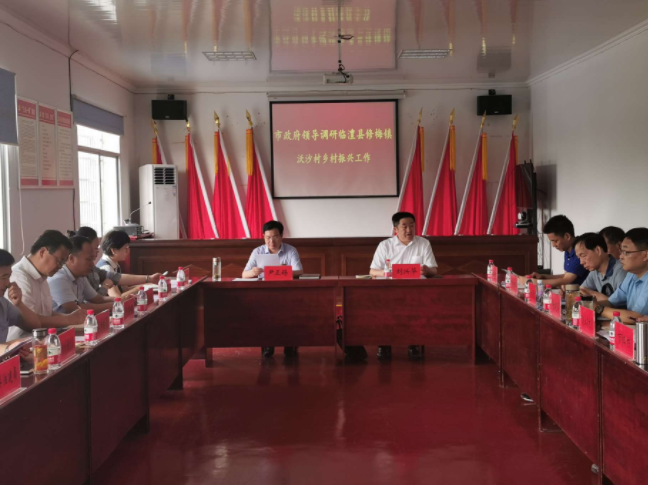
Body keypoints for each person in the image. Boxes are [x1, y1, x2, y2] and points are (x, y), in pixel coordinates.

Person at [369, 211, 438, 360]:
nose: (409, 230)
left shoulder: (423, 243)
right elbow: (373, 271)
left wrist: (426, 270)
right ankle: (384, 344)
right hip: (389, 290)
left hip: (416, 291)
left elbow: (434, 270)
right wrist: (388, 273)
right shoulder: (385, 245)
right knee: (383, 309)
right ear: (395, 229)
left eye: (412, 226)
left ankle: (414, 344)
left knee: (416, 309)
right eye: (404, 226)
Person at [7, 230, 85, 340]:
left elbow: (47, 314)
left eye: (62, 263)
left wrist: (74, 317)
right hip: (21, 343)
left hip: (43, 340)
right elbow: (30, 321)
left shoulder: (42, 276)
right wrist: (68, 319)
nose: (60, 267)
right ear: (43, 252)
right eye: (59, 261)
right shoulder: (19, 278)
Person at [242, 220, 303, 358]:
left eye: (275, 237)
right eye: (268, 237)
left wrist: (284, 271)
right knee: (265, 313)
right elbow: (244, 274)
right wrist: (253, 272)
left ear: (281, 236)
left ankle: (289, 344)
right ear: (263, 236)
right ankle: (268, 344)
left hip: (287, 293)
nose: (271, 241)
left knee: (289, 313)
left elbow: (299, 271)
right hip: (264, 293)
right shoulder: (257, 251)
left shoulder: (291, 250)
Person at [73, 227, 160, 296]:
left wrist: (149, 280)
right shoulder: (105, 267)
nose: (97, 251)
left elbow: (117, 279)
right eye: (95, 248)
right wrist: (142, 286)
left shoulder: (110, 266)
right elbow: (116, 298)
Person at [49, 236, 116, 314]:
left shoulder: (80, 276)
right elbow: (76, 309)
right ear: (72, 259)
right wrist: (114, 305)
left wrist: (118, 300)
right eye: (89, 259)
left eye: (92, 259)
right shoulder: (58, 279)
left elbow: (98, 299)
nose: (92, 264)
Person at [595, 228, 648, 323]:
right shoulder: (631, 274)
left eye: (626, 252)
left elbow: (635, 317)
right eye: (621, 251)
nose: (621, 256)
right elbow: (612, 302)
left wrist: (598, 308)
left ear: (645, 255)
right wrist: (588, 304)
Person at [0, 249, 42, 354]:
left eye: (9, 277)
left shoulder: (3, 303)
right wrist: (9, 348)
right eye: (4, 277)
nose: (8, 283)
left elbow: (34, 326)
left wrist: (19, 304)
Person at [533, 215, 589, 287]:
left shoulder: (580, 251)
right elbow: (566, 275)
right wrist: (543, 276)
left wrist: (534, 282)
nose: (553, 245)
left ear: (567, 236)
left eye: (555, 241)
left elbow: (566, 280)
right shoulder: (568, 249)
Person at [574, 233, 627, 301]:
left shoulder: (621, 270)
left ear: (598, 250)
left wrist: (592, 293)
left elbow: (619, 303)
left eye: (583, 255)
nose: (581, 262)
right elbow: (582, 290)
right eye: (579, 258)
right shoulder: (594, 272)